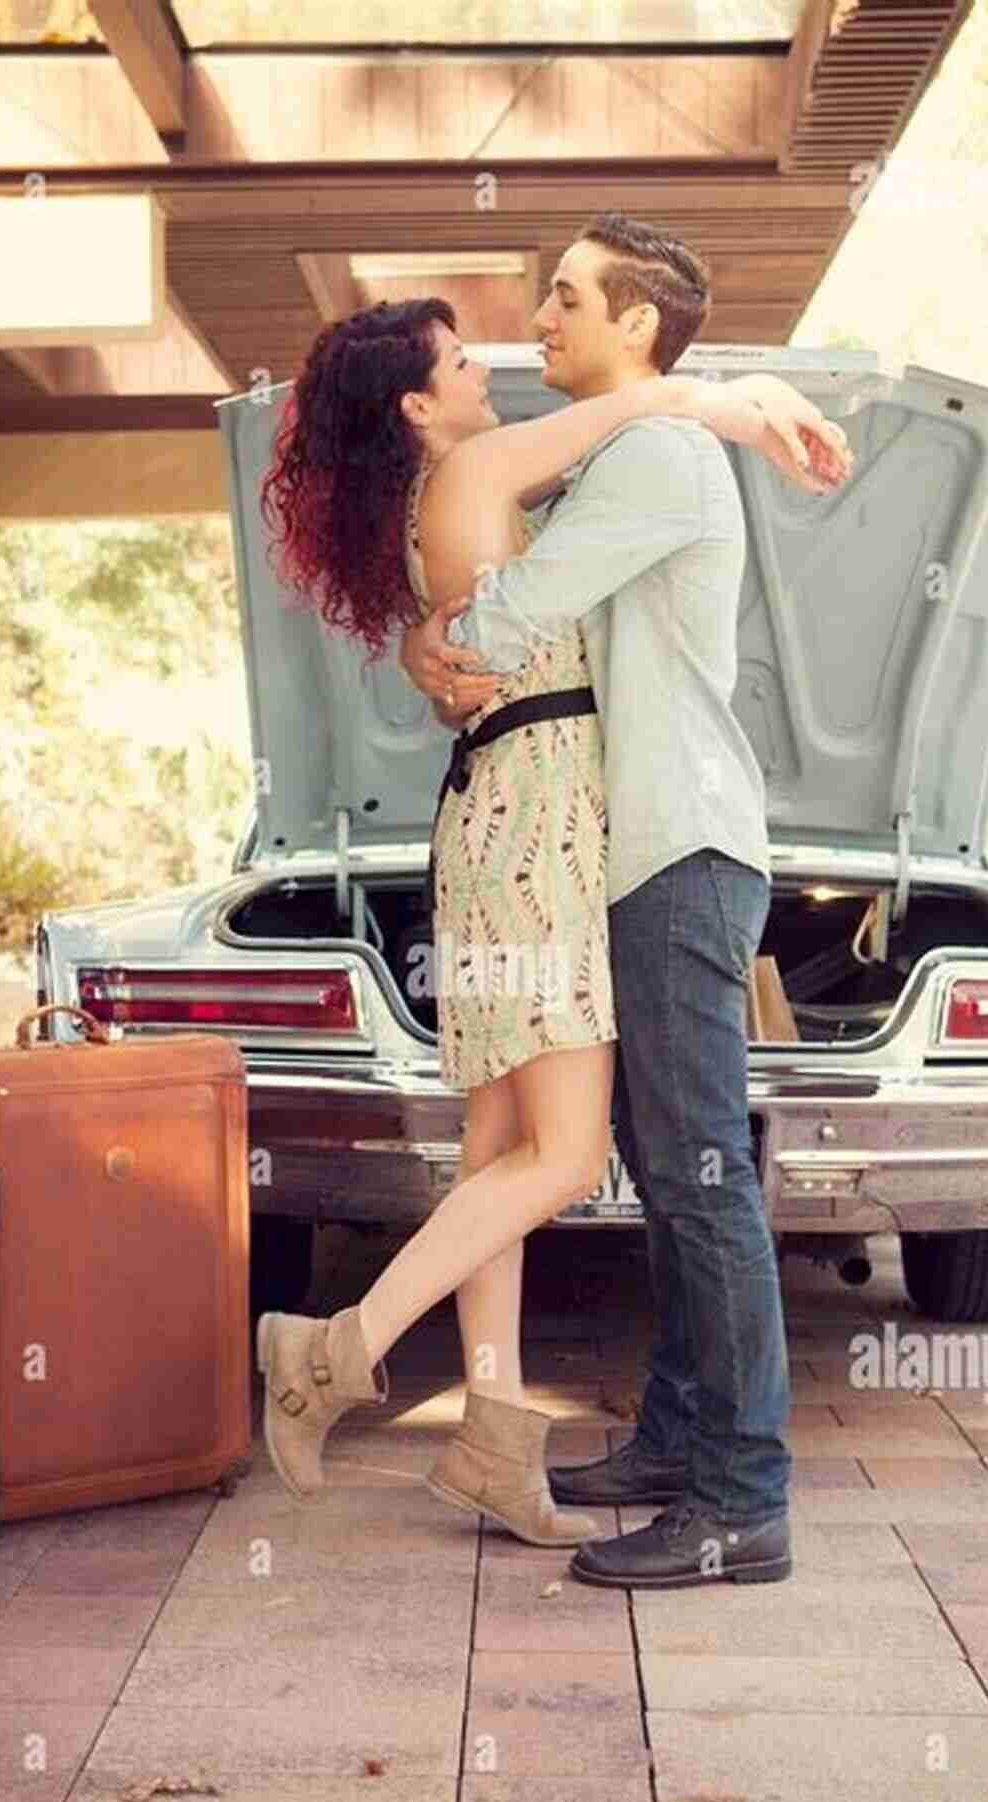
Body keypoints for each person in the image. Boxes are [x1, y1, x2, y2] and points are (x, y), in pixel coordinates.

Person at [257, 273, 849, 1554]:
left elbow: (469, 649)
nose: (491, 367)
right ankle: (337, 1346)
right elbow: (659, 399)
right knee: (568, 1158)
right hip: (534, 825)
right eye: (458, 362)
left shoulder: (450, 489)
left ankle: (489, 1436)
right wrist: (757, 400)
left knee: (499, 1155)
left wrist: (429, 651)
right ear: (419, 405)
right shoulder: (481, 469)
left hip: (496, 816)